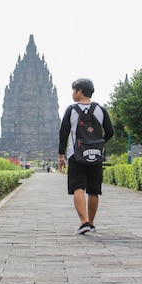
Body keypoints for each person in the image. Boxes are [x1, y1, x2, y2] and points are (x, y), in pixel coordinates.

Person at [58, 78, 115, 235]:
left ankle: (84, 222)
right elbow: (110, 131)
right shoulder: (100, 110)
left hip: (76, 154)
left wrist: (61, 156)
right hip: (96, 155)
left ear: (79, 91)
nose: (72, 94)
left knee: (78, 187)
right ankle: (91, 223)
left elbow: (63, 134)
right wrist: (99, 143)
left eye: (73, 90)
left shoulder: (71, 109)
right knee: (93, 190)